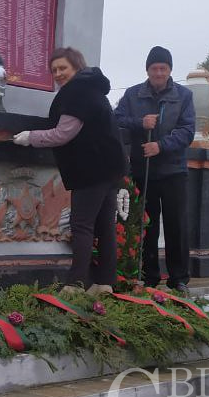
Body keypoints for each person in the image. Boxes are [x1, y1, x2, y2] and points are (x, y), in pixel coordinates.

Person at [13, 47, 126, 294]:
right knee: (105, 227)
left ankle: (75, 285)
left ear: (77, 67)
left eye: (63, 68)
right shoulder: (93, 89)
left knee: (82, 226)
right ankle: (105, 283)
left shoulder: (77, 92)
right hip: (110, 168)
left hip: (91, 169)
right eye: (54, 70)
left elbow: (63, 134)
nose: (58, 74)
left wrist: (30, 137)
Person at [114, 46, 195, 294]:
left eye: (163, 68)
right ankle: (149, 274)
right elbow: (116, 119)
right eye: (154, 68)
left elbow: (187, 131)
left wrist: (160, 146)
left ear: (170, 70)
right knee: (146, 225)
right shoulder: (133, 95)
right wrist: (140, 123)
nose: (158, 73)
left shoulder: (184, 96)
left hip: (173, 170)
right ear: (147, 70)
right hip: (143, 170)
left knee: (176, 225)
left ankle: (178, 277)